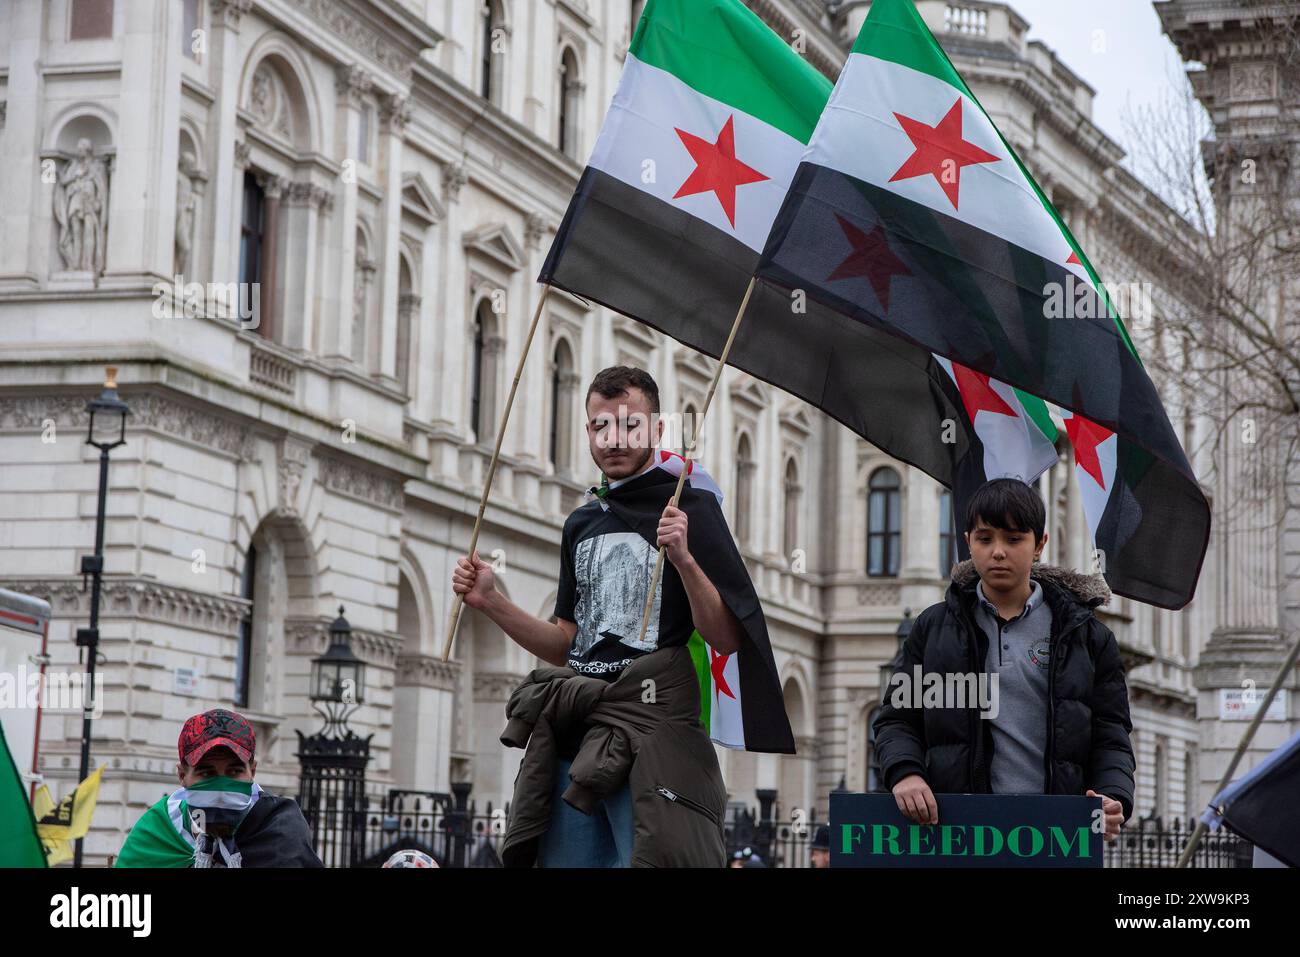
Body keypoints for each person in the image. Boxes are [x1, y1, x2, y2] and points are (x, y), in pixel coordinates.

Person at [452, 366, 750, 867]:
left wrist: (684, 559)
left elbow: (725, 634)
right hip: (578, 731)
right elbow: (569, 641)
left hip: (653, 733)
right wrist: (492, 601)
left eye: (630, 425)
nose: (613, 439)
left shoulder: (690, 511)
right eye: (599, 426)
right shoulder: (581, 521)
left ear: (657, 430)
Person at [873, 478, 1133, 842]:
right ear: (968, 542)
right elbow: (898, 721)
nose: (998, 551)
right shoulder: (933, 629)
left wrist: (1112, 795)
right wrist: (905, 773)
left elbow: (1111, 737)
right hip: (956, 835)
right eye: (985, 539)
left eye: (1013, 539)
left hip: (1055, 837)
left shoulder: (1089, 638)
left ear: (1039, 544)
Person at [115, 708, 323, 867]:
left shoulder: (278, 827)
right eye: (207, 773)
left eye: (234, 772)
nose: (222, 789)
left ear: (253, 771)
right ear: (182, 775)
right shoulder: (159, 831)